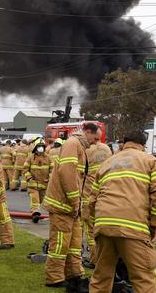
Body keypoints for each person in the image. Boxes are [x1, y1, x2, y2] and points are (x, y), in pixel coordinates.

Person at [86, 130, 156, 293]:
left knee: (101, 276)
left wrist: (98, 222)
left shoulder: (108, 163)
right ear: (143, 145)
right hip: (133, 228)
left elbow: (92, 200)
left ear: (124, 144)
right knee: (143, 278)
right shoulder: (150, 161)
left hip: (104, 226)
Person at [44, 123, 101, 290]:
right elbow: (67, 174)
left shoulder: (79, 146)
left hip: (71, 207)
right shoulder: (72, 144)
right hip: (63, 205)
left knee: (75, 243)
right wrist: (75, 201)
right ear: (87, 132)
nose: (95, 143)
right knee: (60, 243)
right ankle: (54, 278)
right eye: (95, 138)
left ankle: (74, 274)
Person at [82, 141, 112, 268]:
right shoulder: (107, 149)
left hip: (89, 194)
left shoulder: (86, 150)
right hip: (106, 195)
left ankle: (94, 259)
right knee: (103, 229)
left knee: (90, 228)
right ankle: (104, 258)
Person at [23, 139, 53, 223]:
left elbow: (52, 170)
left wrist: (50, 179)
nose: (41, 148)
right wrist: (29, 178)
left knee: (41, 201)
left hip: (44, 184)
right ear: (36, 148)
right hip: (33, 184)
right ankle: (35, 214)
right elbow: (25, 169)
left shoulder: (48, 158)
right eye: (39, 146)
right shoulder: (30, 158)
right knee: (35, 199)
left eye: (42, 147)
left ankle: (37, 211)